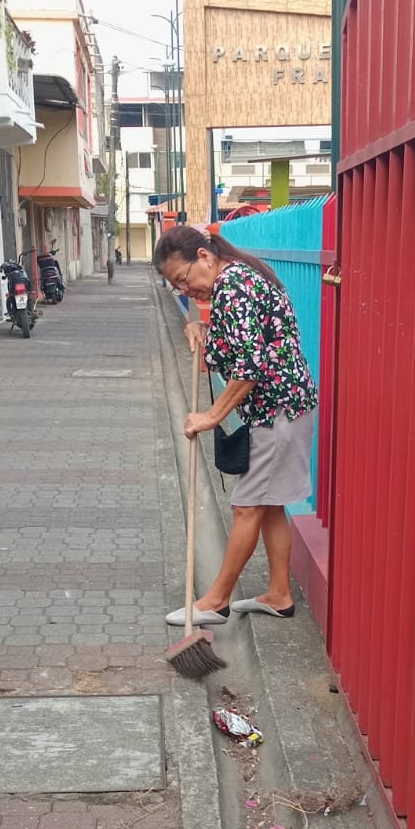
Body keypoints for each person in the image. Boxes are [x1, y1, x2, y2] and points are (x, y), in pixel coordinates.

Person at [154, 224, 318, 626]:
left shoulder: (234, 286)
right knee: (271, 503)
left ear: (204, 257)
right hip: (285, 407)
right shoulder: (237, 279)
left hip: (277, 411)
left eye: (183, 279)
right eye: (177, 287)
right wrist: (200, 327)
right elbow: (242, 343)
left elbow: (248, 368)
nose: (185, 290)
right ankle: (278, 594)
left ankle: (216, 601)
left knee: (246, 507)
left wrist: (211, 416)